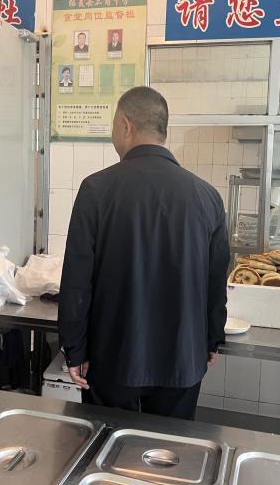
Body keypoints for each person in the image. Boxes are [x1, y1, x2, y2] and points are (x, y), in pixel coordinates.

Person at [58, 86, 229, 420]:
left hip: (113, 357)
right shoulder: (207, 197)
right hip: (183, 357)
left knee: (106, 443)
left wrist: (74, 348)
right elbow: (215, 279)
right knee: (169, 447)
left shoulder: (96, 190)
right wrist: (212, 338)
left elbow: (77, 280)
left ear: (125, 125)